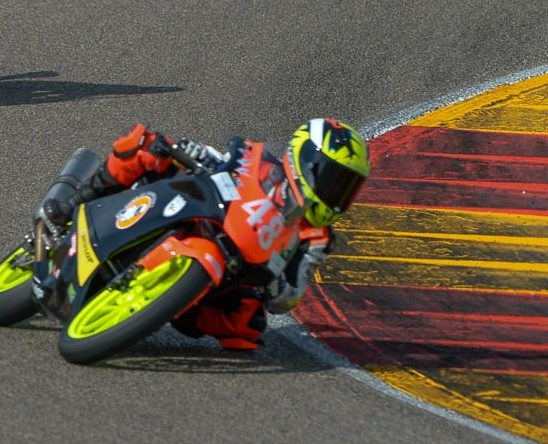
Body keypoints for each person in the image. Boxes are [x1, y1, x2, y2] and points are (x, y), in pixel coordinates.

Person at [34, 119, 371, 350]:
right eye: (333, 179)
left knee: (248, 328)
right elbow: (226, 159)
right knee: (147, 145)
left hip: (236, 271)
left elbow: (290, 296)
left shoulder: (317, 238)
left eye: (347, 187)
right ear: (305, 162)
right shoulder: (263, 163)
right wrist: (193, 152)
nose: (337, 193)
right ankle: (74, 201)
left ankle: (172, 307)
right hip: (205, 209)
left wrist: (278, 287)